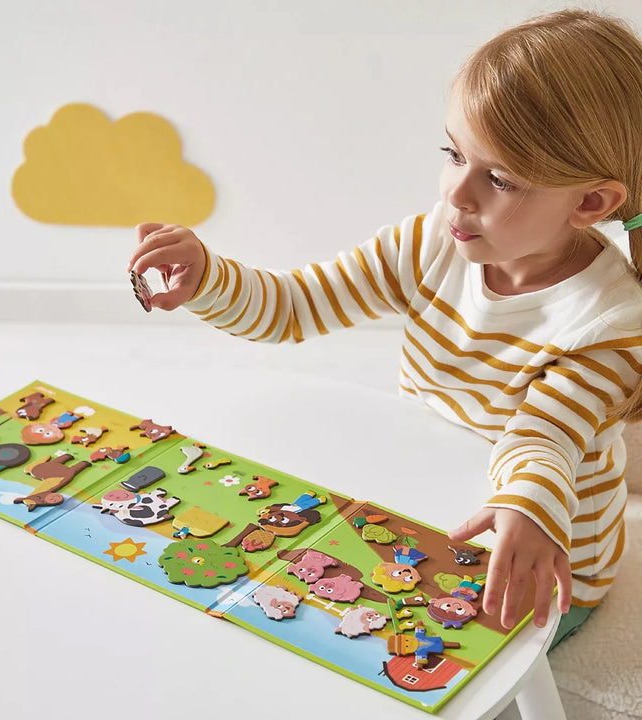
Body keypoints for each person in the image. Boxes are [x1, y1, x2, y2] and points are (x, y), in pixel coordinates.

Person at [127, 9, 642, 648]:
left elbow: (545, 438)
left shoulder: (612, 322)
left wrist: (527, 506)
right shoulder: (431, 240)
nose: (458, 193)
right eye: (454, 154)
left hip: (537, 555)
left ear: (590, 203)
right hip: (430, 494)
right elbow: (295, 306)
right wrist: (211, 277)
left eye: (500, 179)